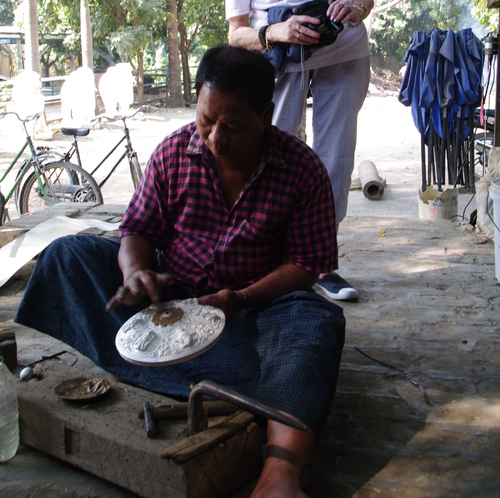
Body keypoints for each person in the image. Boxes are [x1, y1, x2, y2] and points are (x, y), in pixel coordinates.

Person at [15, 46, 345, 498]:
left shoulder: (302, 170)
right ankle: (205, 381)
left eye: (232, 127)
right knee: (67, 255)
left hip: (250, 316)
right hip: (166, 308)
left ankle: (281, 474)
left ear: (267, 115)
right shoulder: (174, 152)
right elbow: (136, 229)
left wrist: (243, 298)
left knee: (317, 319)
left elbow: (307, 266)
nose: (214, 138)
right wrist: (135, 272)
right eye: (207, 120)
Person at [225, 0, 374, 302]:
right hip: (280, 60)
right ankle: (273, 261)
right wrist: (276, 32)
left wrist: (355, 10)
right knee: (276, 157)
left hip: (341, 51)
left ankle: (322, 264)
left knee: (333, 156)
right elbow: (236, 33)